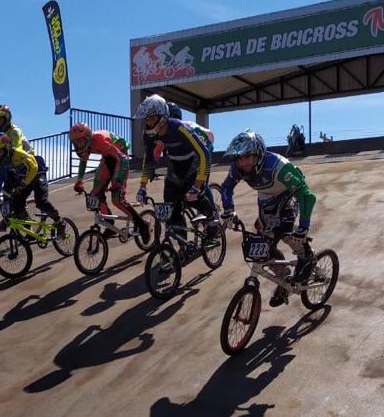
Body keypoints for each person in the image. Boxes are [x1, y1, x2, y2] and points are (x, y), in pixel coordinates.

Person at [218, 130, 318, 307]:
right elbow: (226, 187)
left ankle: (306, 256)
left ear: (258, 154)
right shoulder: (237, 168)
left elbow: (307, 196)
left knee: (285, 232)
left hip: (289, 194)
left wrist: (304, 226)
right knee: (263, 243)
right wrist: (228, 210)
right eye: (239, 158)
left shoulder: (278, 166)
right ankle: (283, 278)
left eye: (247, 157)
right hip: (266, 199)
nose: (243, 162)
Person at [134, 94, 217, 239]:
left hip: (195, 159)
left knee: (194, 196)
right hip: (175, 162)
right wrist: (142, 187)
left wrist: (197, 186)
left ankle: (212, 218)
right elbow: (149, 160)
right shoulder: (148, 135)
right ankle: (182, 245)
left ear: (162, 117)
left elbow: (205, 155)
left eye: (152, 118)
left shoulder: (179, 128)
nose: (149, 123)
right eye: (146, 119)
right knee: (170, 205)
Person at [69, 123, 150, 242]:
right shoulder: (87, 144)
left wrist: (118, 180)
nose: (79, 145)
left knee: (117, 199)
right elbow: (83, 161)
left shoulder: (101, 140)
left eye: (80, 141)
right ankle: (109, 223)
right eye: (76, 142)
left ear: (88, 138)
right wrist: (79, 181)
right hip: (107, 158)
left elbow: (123, 160)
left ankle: (142, 225)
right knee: (95, 194)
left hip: (120, 158)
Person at [0, 132, 63, 234]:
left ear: (6, 148)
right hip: (27, 178)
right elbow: (1, 177)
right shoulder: (5, 161)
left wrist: (24, 183)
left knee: (41, 201)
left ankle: (59, 221)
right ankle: (29, 231)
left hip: (38, 172)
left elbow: (34, 167)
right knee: (17, 202)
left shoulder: (17, 153)